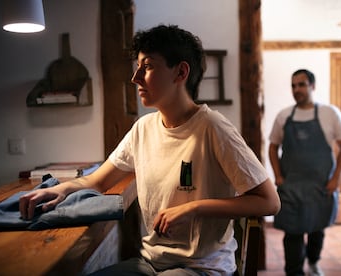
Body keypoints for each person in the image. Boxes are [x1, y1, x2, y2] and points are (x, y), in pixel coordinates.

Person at [19, 24, 281, 276]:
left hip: (202, 267)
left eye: (147, 67)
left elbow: (269, 201)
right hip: (150, 263)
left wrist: (194, 207)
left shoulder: (213, 128)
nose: (135, 78)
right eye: (137, 68)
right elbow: (98, 181)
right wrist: (58, 190)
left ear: (180, 73)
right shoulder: (143, 128)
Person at [268, 69, 341, 276]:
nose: (297, 89)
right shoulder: (284, 116)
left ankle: (314, 262)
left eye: (302, 85)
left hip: (321, 186)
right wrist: (278, 176)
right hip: (291, 187)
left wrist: (336, 178)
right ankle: (294, 272)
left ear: (313, 86)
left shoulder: (329, 113)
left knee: (317, 229)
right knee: (292, 233)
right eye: (293, 85)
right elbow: (272, 147)